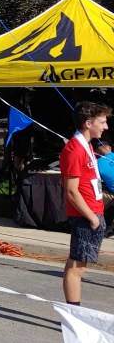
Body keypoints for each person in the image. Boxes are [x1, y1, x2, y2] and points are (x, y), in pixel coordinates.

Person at [59, 101, 109, 306]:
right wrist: (91, 218)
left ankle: (73, 311)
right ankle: (73, 312)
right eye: (102, 122)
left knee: (78, 265)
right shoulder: (74, 149)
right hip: (85, 216)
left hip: (93, 212)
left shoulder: (87, 145)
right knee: (76, 267)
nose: (106, 127)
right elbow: (71, 191)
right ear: (88, 123)